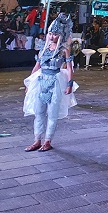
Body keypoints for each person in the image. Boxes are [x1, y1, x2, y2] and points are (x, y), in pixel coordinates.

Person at [23, 13, 78, 152]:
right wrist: (29, 83)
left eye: (55, 34)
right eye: (50, 34)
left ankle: (48, 141)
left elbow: (69, 68)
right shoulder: (43, 49)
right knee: (39, 112)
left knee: (52, 113)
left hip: (56, 82)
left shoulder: (64, 50)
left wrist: (69, 84)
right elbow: (37, 67)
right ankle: (37, 140)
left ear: (61, 35)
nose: (52, 36)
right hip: (41, 81)